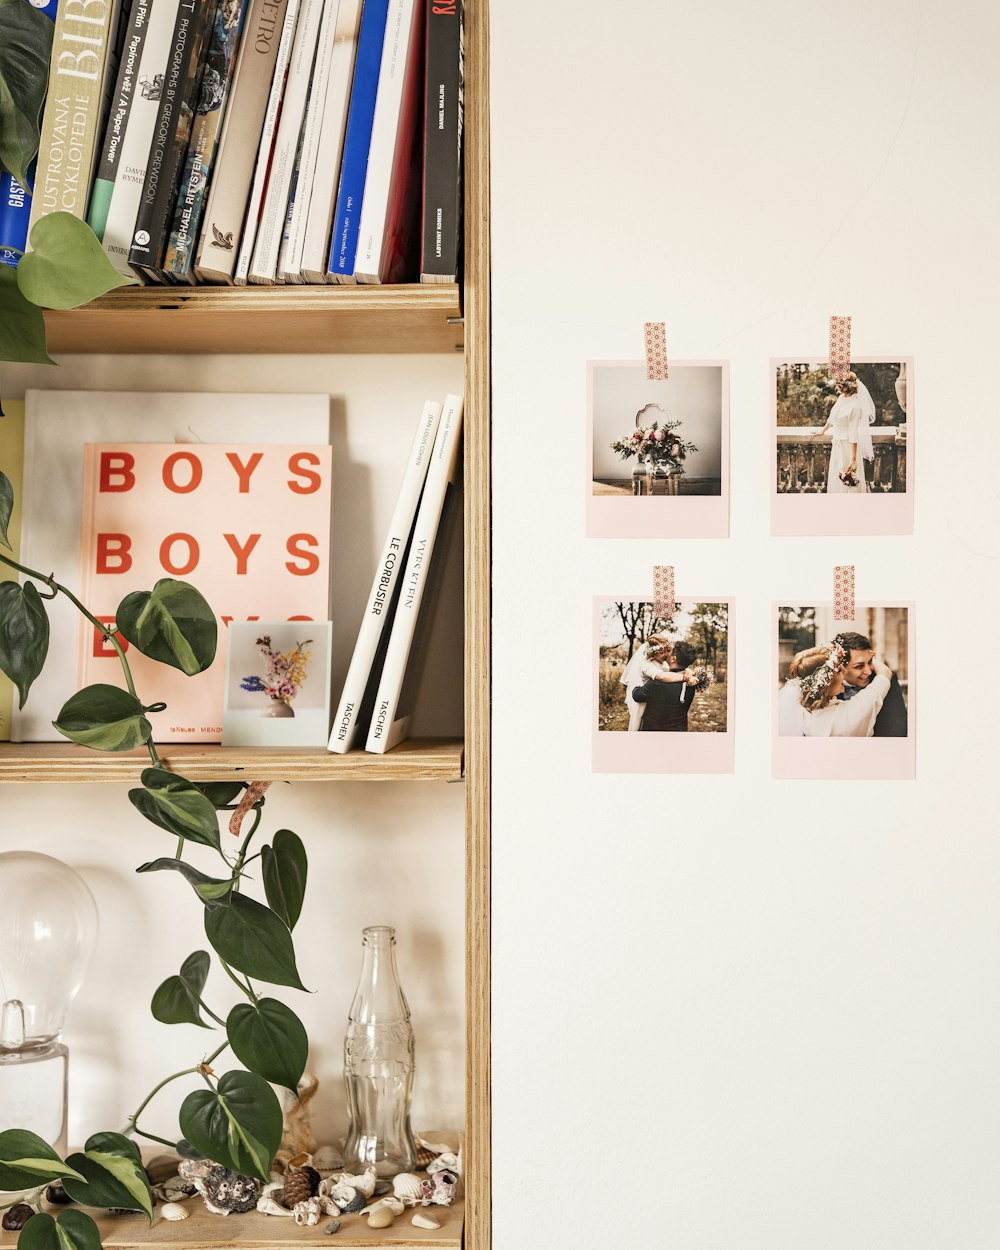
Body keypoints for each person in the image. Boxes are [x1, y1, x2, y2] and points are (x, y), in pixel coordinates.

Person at [778, 639, 892, 736]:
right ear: (825, 682)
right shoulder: (851, 714)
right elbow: (885, 674)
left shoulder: (796, 711)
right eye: (839, 670)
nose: (845, 671)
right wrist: (869, 657)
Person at [809, 371, 876, 494]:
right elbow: (832, 417)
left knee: (849, 482)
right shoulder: (842, 398)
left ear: (846, 386)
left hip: (848, 448)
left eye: (840, 384)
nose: (838, 387)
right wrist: (822, 431)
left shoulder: (855, 406)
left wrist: (853, 459)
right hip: (838, 445)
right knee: (837, 479)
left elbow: (853, 432)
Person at [832, 630, 908, 737]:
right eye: (859, 666)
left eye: (870, 662)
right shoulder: (828, 687)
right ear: (840, 666)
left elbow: (898, 729)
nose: (868, 671)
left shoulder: (886, 680)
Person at [619, 636, 692, 732]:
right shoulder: (646, 665)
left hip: (652, 696)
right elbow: (662, 676)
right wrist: (684, 677)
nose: (665, 654)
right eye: (661, 652)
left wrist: (686, 671)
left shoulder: (663, 663)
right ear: (653, 653)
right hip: (642, 698)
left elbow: (670, 674)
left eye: (667, 650)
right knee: (638, 724)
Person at [634, 641, 700, 732]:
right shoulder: (692, 681)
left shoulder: (659, 682)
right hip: (680, 730)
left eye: (669, 650)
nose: (665, 653)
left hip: (655, 732)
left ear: (673, 659)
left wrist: (636, 685)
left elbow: (637, 695)